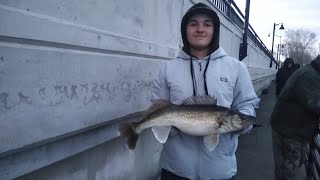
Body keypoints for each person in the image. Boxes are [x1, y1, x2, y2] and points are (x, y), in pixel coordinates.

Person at [151, 3, 259, 180]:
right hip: (175, 170)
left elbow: (247, 105)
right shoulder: (167, 68)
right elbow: (158, 108)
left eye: (207, 24)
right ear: (185, 30)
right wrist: (173, 127)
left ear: (215, 30)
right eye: (193, 24)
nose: (200, 29)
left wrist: (238, 126)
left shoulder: (237, 68)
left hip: (221, 171)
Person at [270, 55, 320, 180]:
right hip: (290, 131)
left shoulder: (310, 71)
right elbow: (316, 103)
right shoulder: (310, 76)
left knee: (286, 166)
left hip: (287, 128)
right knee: (288, 170)